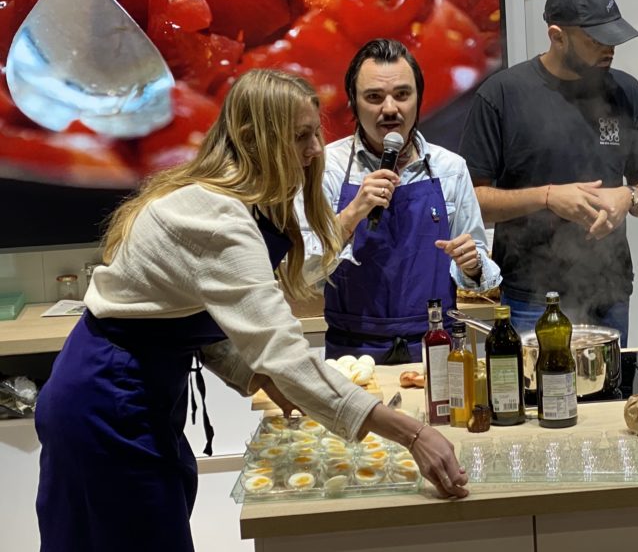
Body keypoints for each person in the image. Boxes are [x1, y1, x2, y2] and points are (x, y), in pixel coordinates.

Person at [35, 69, 467, 552]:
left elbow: (197, 311)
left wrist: (252, 374)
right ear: (252, 138)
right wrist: (413, 435)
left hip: (135, 391)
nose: (315, 150)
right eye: (300, 137)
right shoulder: (217, 217)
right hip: (105, 399)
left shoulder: (239, 202)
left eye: (316, 134)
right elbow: (284, 352)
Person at [460, 0, 638, 343]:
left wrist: (627, 197)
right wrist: (548, 197)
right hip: (528, 297)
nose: (610, 48)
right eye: (596, 40)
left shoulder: (628, 94)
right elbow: (474, 201)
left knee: (609, 395)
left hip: (610, 291)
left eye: (614, 37)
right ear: (557, 36)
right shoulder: (503, 96)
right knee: (536, 396)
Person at [301, 39, 500, 363]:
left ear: (418, 99)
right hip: (353, 355)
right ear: (353, 103)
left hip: (437, 349)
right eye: (374, 97)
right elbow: (305, 273)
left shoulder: (450, 169)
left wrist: (473, 266)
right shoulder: (327, 168)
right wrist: (353, 213)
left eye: (402, 95)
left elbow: (483, 278)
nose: (390, 109)